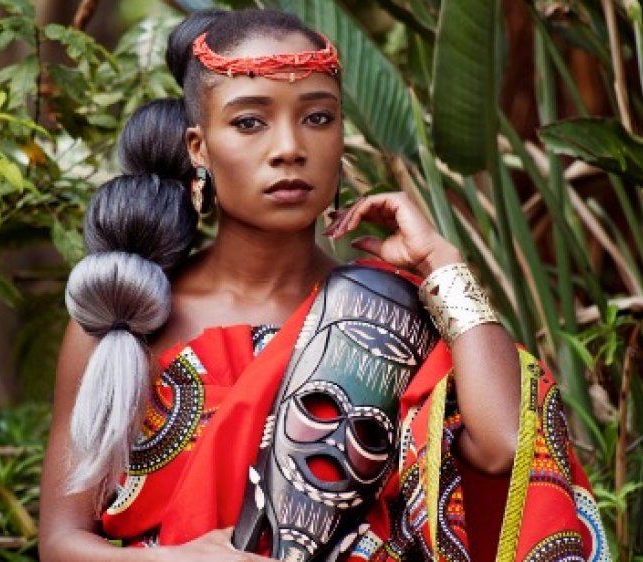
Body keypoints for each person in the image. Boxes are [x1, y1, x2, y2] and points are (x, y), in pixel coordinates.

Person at [39, 8, 607, 562]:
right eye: (249, 121)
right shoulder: (127, 317)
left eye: (317, 117)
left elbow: (508, 451)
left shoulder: (398, 314)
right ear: (199, 148)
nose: (290, 148)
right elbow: (62, 542)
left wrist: (442, 265)